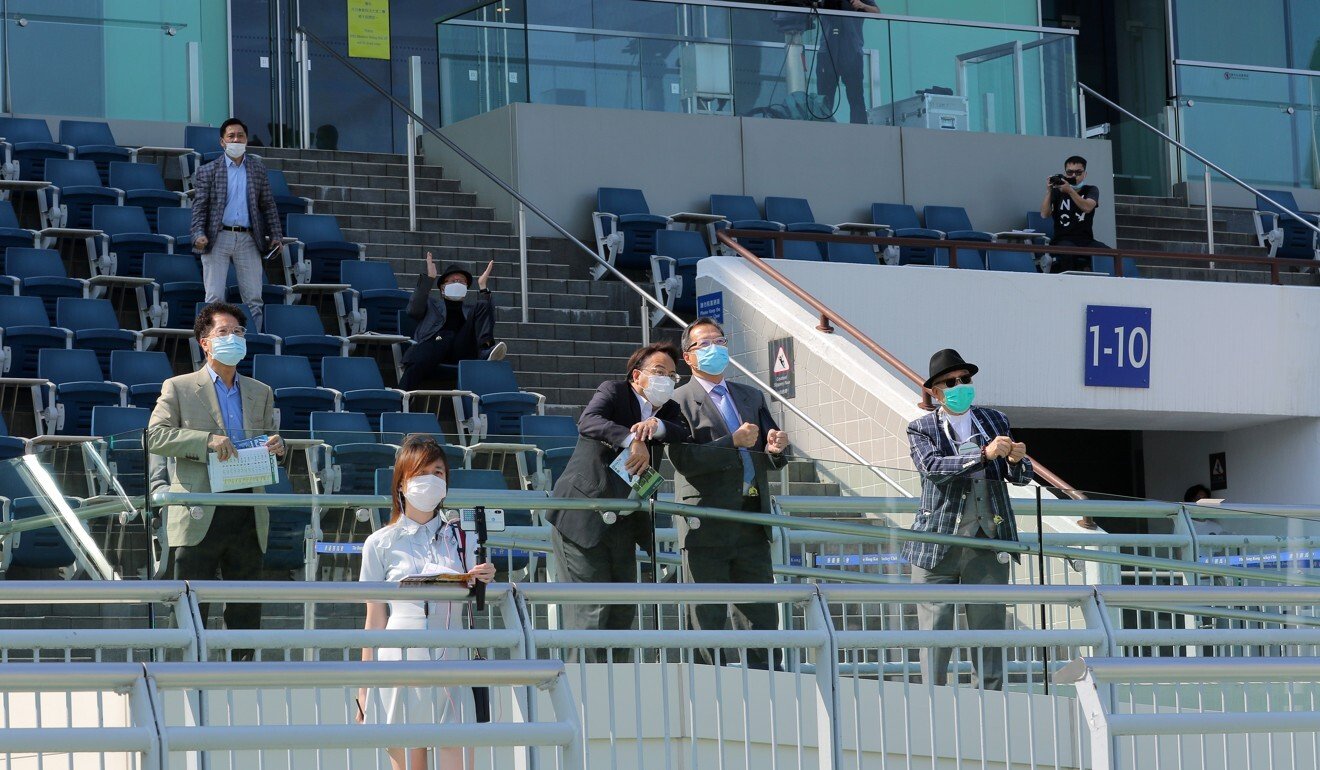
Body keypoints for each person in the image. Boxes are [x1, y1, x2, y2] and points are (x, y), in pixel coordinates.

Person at [146, 301, 285, 658]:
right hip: (199, 509)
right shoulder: (178, 386)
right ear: (205, 342)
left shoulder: (262, 391)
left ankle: (240, 682)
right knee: (191, 609)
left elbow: (271, 442)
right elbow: (155, 437)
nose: (233, 337)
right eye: (223, 332)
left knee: (246, 611)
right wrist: (206, 441)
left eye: (238, 332)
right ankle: (186, 688)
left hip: (247, 508)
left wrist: (280, 446)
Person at [356, 434, 496, 770]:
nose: (431, 481)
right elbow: (373, 620)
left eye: (439, 473)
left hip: (454, 658)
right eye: (422, 473)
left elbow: (477, 595)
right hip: (399, 661)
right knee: (409, 761)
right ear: (402, 483)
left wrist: (484, 575)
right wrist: (363, 692)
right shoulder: (379, 543)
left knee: (458, 758)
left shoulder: (463, 537)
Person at [544, 342, 691, 662]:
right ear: (637, 376)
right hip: (584, 516)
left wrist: (659, 426)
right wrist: (632, 439)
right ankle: (584, 697)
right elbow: (588, 421)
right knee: (591, 612)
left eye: (671, 375)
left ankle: (617, 692)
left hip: (626, 522)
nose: (665, 380)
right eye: (658, 372)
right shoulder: (613, 391)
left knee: (623, 611)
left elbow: (683, 433)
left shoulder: (666, 410)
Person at [905, 348, 1032, 691]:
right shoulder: (921, 428)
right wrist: (984, 454)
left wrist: (1017, 461)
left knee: (989, 631)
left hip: (987, 538)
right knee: (934, 634)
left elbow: (1020, 478)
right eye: (951, 381)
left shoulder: (994, 420)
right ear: (935, 391)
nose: (961, 385)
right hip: (937, 542)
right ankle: (932, 704)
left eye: (966, 379)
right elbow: (933, 469)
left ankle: (989, 704)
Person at [668, 318, 790, 669]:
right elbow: (683, 459)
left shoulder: (750, 395)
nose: (714, 349)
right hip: (706, 523)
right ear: (688, 357)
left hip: (752, 520)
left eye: (719, 342)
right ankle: (709, 698)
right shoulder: (678, 401)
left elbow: (773, 452)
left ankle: (769, 686)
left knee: (762, 618)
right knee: (706, 619)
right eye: (704, 345)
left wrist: (777, 446)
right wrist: (730, 443)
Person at [190, 118, 283, 332]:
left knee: (254, 298)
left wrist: (276, 234)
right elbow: (199, 206)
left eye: (240, 135)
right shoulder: (208, 171)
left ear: (246, 139)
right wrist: (198, 233)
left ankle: (252, 342)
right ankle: (214, 344)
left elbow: (268, 204)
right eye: (231, 136)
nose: (236, 139)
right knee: (214, 297)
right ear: (222, 141)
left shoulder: (258, 170)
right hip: (217, 237)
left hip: (248, 238)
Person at [398, 252, 505, 391]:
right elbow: (413, 310)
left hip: (462, 350)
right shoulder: (432, 305)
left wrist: (483, 287)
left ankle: (485, 350)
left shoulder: (471, 310)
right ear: (442, 288)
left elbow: (487, 318)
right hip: (434, 347)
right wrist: (429, 279)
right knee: (446, 335)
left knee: (481, 305)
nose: (458, 283)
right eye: (453, 281)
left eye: (461, 281)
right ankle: (401, 396)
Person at [816, 0, 881, 124]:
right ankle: (822, 132)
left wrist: (862, 5)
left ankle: (859, 133)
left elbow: (877, 13)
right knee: (824, 99)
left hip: (852, 51)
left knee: (856, 96)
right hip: (828, 51)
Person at [1039, 155, 1108, 273]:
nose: (1074, 176)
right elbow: (1044, 214)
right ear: (1065, 173)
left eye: (1078, 172)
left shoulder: (1091, 190)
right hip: (1062, 239)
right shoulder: (1057, 191)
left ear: (1085, 174)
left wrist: (1070, 191)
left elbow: (1087, 207)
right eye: (1069, 172)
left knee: (1110, 254)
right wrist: (1049, 191)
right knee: (1067, 252)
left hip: (1086, 240)